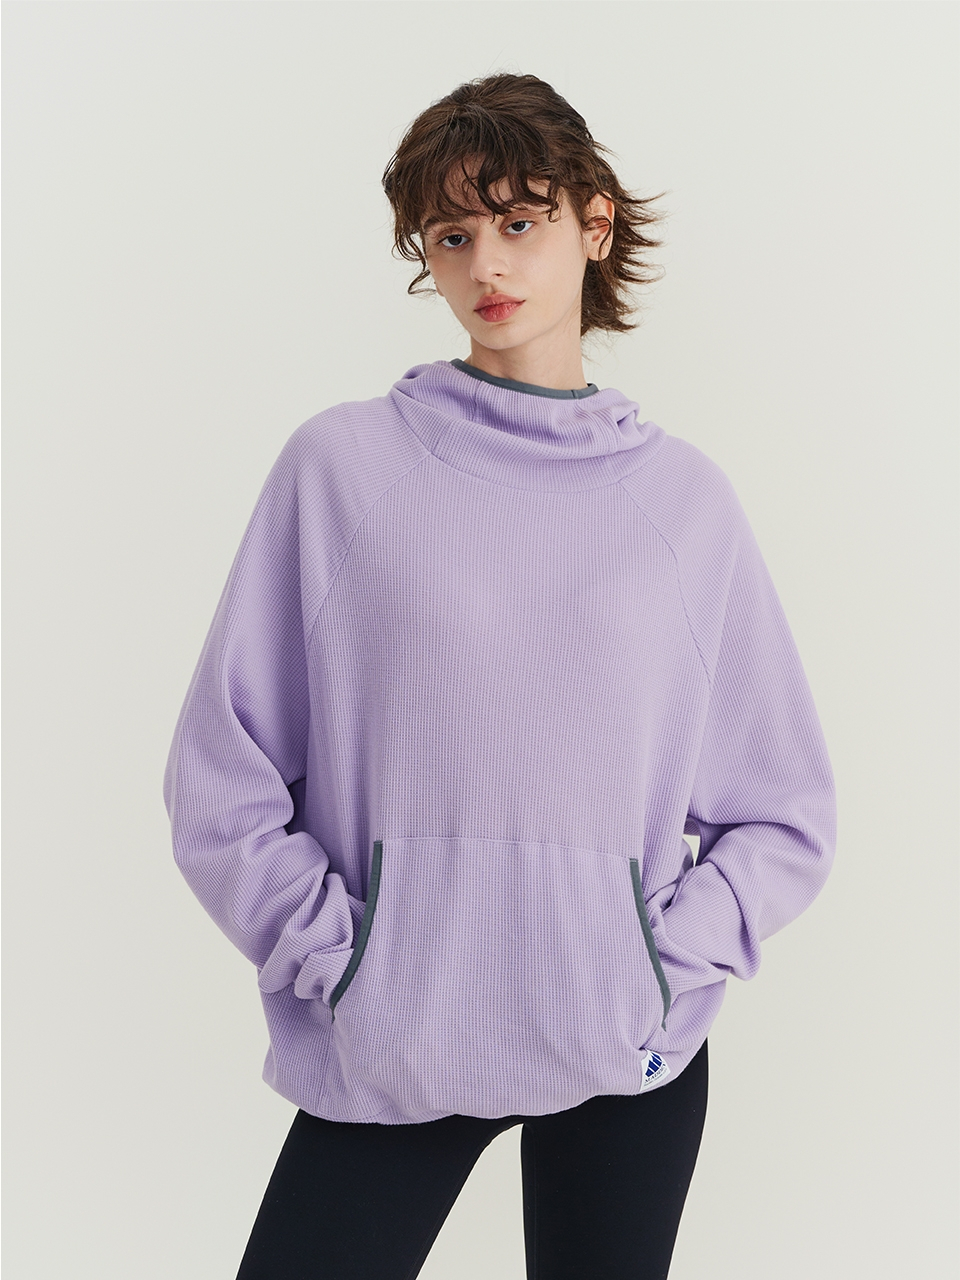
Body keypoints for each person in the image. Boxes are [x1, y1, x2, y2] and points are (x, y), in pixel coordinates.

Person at [163, 72, 837, 1280]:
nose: (487, 263)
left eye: (521, 220)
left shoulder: (683, 505)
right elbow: (221, 776)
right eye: (452, 234)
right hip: (398, 1034)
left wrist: (656, 965)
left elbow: (784, 811)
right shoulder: (342, 469)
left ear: (595, 225)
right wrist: (343, 960)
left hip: (626, 1055)